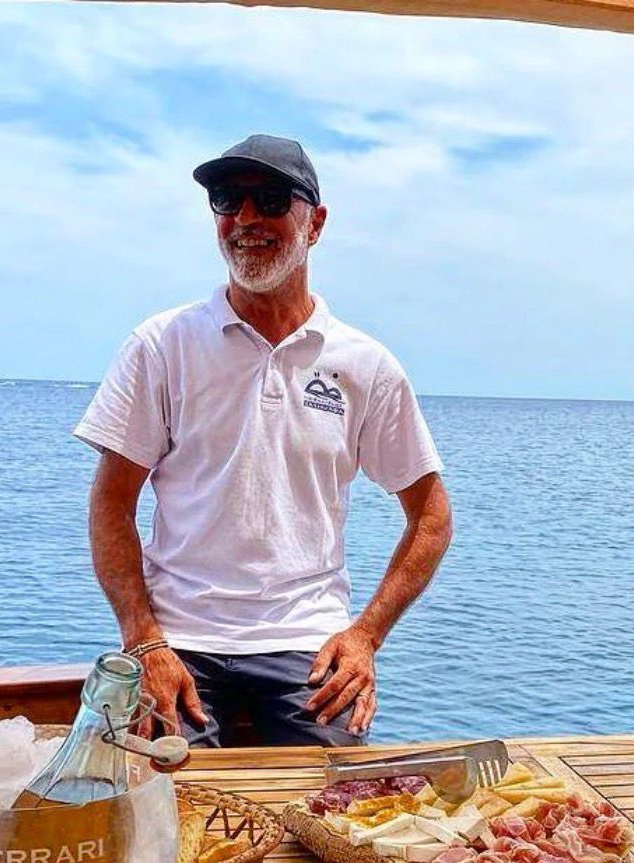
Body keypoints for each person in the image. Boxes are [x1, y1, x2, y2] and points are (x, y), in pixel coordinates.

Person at [74, 134, 452, 747]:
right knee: (158, 792)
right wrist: (143, 640)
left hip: (307, 643)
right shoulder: (162, 345)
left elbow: (431, 517)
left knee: (335, 799)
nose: (246, 218)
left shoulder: (365, 365)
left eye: (271, 200)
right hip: (178, 639)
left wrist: (365, 636)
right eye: (227, 199)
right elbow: (111, 504)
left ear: (315, 224)